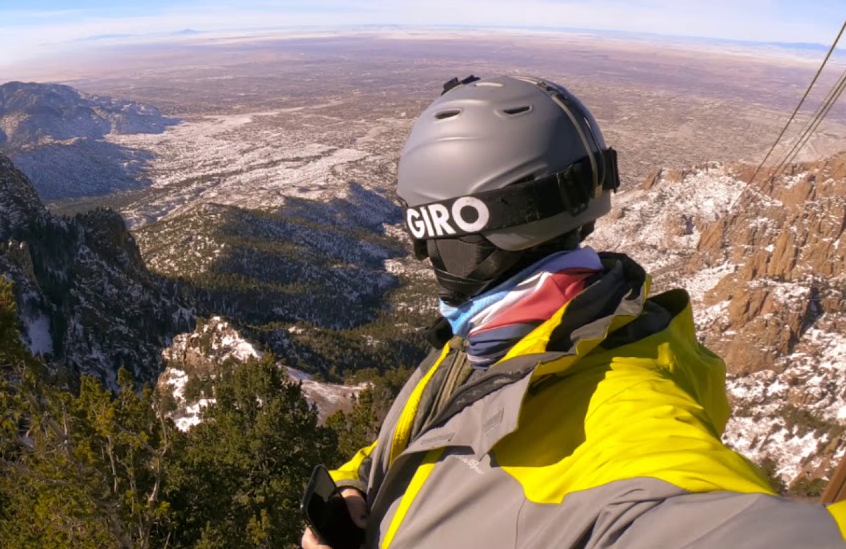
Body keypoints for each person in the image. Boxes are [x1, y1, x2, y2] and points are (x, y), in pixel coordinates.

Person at [302, 75, 846, 549]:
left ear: (455, 232)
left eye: (423, 233)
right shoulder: (490, 342)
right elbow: (413, 449)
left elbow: (698, 519)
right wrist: (356, 490)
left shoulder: (624, 410)